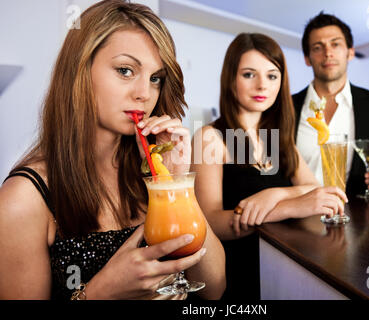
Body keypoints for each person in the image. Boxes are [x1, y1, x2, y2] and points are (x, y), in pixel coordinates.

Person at [0, 0, 225, 300]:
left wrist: (175, 183)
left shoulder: (152, 168)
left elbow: (214, 288)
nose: (144, 94)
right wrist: (99, 292)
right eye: (125, 70)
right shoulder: (23, 199)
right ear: (79, 70)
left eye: (155, 78)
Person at [191, 33, 347, 300]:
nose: (262, 85)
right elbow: (210, 223)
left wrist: (276, 194)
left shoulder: (276, 138)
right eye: (249, 74)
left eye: (272, 76)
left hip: (285, 264)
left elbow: (316, 191)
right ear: (231, 79)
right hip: (238, 273)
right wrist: (286, 207)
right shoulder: (210, 137)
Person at [293, 12, 369, 196]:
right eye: (318, 47)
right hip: (297, 218)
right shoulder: (285, 107)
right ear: (307, 58)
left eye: (335, 44)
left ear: (350, 52)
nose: (328, 53)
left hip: (358, 219)